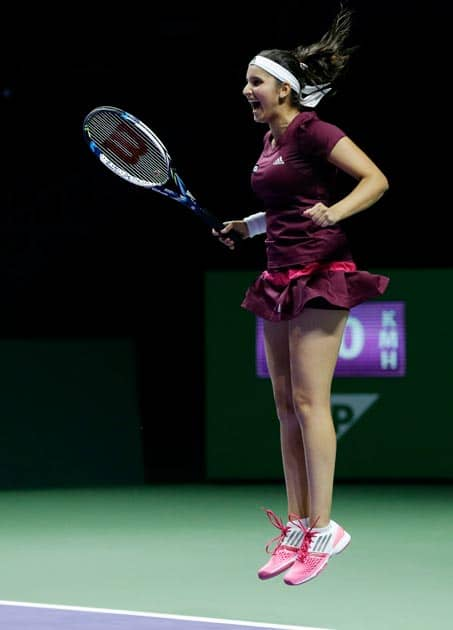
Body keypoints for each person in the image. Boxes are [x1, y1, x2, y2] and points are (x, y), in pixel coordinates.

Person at [213, 5, 389, 586]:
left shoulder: (314, 129)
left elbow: (375, 179)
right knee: (285, 406)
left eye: (255, 81)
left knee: (312, 402)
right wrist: (249, 226)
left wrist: (334, 211)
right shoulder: (269, 143)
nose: (247, 90)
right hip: (276, 274)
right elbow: (285, 208)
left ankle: (323, 528)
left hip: (320, 273)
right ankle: (295, 525)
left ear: (285, 88)